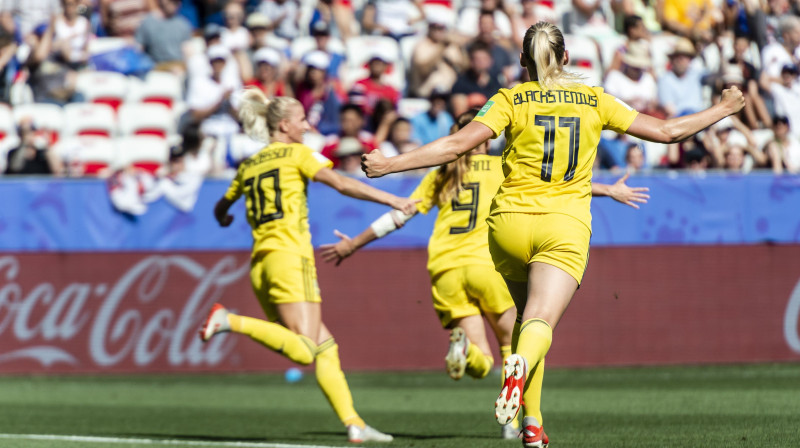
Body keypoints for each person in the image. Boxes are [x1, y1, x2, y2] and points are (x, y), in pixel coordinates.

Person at [361, 21, 745, 448]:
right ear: (565, 59)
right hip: (563, 224)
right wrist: (723, 109)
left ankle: (533, 425)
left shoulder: (509, 98)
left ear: (522, 60)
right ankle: (518, 367)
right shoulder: (593, 99)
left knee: (527, 320)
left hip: (508, 223)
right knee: (538, 324)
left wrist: (388, 165)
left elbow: (455, 147)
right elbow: (668, 132)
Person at [322, 108, 649, 440]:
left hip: (445, 269)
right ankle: (512, 424)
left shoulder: (443, 172)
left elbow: (401, 214)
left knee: (482, 357)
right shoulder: (500, 166)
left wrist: (354, 244)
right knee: (514, 341)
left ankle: (466, 352)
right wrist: (608, 190)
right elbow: (552, 184)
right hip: (487, 266)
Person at [200, 89, 417, 443]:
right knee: (305, 350)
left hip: (261, 265)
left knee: (326, 347)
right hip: (290, 259)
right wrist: (392, 198)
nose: (307, 124)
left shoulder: (250, 164)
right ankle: (229, 320)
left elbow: (220, 208)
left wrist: (225, 217)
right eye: (301, 119)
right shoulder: (298, 154)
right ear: (285, 125)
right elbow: (340, 183)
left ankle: (354, 424)